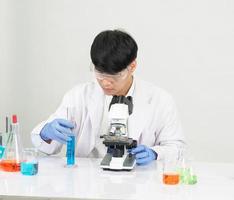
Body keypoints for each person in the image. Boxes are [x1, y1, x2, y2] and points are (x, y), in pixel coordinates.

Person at [31, 29, 185, 165]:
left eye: (113, 76)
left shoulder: (160, 100)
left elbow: (176, 148)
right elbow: (47, 146)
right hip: (86, 184)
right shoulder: (78, 97)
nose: (105, 82)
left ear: (132, 66)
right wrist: (46, 132)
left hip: (139, 183)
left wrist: (155, 153)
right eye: (99, 73)